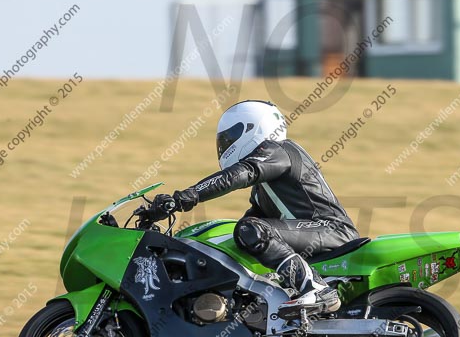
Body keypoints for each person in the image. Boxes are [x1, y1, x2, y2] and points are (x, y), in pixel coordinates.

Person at [150, 100, 359, 314]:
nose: (224, 145)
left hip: (332, 229)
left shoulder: (278, 150)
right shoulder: (264, 188)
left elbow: (239, 174)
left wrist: (185, 196)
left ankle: (316, 289)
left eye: (230, 137)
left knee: (250, 229)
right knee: (244, 232)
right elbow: (248, 228)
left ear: (253, 128)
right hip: (320, 232)